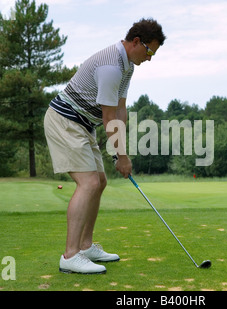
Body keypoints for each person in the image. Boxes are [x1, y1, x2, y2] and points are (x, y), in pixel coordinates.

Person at [44, 18, 166, 274]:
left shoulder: (127, 67)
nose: (151, 57)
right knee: (88, 183)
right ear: (136, 42)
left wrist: (121, 151)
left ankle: (85, 247)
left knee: (100, 181)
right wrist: (121, 156)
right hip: (65, 120)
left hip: (83, 124)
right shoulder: (112, 66)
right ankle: (70, 255)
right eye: (150, 51)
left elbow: (120, 110)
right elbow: (108, 117)